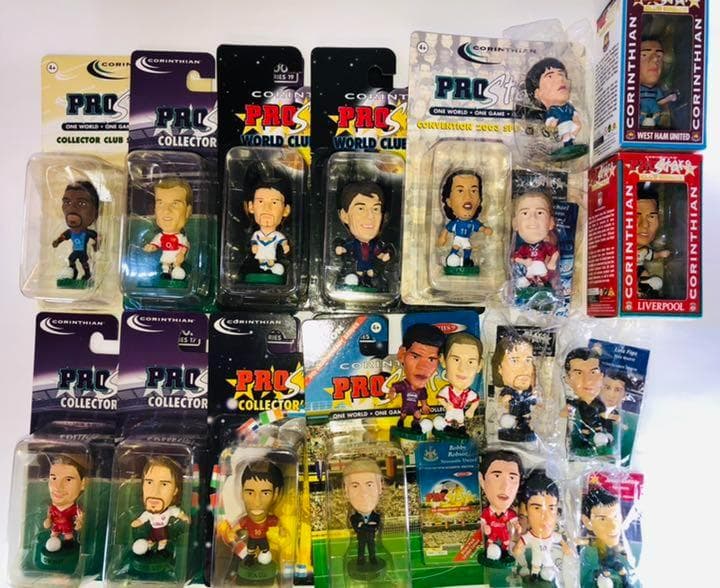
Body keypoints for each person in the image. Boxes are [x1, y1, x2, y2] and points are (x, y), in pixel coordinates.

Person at [513, 471, 572, 583]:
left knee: (547, 567)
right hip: (535, 560)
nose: (545, 517)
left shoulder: (553, 535)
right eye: (537, 508)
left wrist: (566, 547)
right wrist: (517, 548)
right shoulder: (529, 535)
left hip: (549, 561)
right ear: (525, 509)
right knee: (535, 565)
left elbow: (561, 540)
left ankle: (546, 573)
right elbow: (520, 543)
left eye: (551, 508)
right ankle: (534, 574)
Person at [389, 323, 445, 433]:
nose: (423, 367)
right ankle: (401, 423)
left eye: (431, 359)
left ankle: (415, 424)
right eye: (415, 356)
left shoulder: (422, 390)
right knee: (403, 415)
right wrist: (391, 392)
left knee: (418, 415)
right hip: (405, 407)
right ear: (402, 355)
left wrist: (424, 406)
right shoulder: (404, 385)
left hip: (414, 408)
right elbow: (394, 388)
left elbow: (423, 399)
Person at [335, 181, 391, 288]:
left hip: (370, 268)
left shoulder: (375, 245)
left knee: (371, 276)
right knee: (356, 276)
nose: (370, 216)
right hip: (355, 269)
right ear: (344, 216)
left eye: (375, 209)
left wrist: (384, 255)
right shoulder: (352, 243)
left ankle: (368, 282)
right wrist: (340, 248)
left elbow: (378, 252)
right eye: (361, 209)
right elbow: (346, 248)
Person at [131, 456, 189, 556]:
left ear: (175, 490)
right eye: (149, 482)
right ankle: (150, 550)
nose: (155, 492)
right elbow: (142, 518)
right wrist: (137, 522)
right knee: (151, 541)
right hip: (154, 531)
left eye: (164, 484)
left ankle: (161, 551)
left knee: (162, 541)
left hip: (162, 531)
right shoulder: (148, 513)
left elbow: (178, 513)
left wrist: (185, 517)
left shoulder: (170, 510)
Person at [231, 461, 284, 566]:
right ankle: (251, 558)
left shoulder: (270, 519)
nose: (257, 502)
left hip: (264, 540)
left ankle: (264, 558)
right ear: (241, 492)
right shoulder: (246, 520)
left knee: (265, 550)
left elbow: (280, 527)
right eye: (250, 493)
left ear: (275, 494)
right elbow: (233, 531)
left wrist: (282, 534)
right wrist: (231, 535)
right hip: (251, 540)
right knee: (251, 550)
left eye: (265, 493)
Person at [581, 485, 636, 588]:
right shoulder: (599, 542)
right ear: (587, 522)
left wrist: (625, 553)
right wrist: (576, 541)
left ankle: (626, 584)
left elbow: (620, 549)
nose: (613, 526)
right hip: (604, 564)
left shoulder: (617, 542)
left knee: (622, 571)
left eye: (616, 516)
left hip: (614, 562)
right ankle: (597, 574)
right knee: (605, 578)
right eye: (602, 519)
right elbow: (588, 541)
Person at [437, 170, 492, 270]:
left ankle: (466, 261)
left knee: (468, 249)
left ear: (479, 201)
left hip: (466, 239)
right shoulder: (455, 223)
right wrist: (442, 237)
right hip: (458, 239)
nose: (468, 197)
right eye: (460, 191)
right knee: (456, 248)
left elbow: (480, 228)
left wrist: (485, 229)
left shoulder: (472, 222)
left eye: (474, 191)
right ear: (449, 202)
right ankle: (452, 258)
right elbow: (446, 230)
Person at [244, 165, 292, 278]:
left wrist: (285, 246)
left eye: (274, 203)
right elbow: (253, 242)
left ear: (286, 210)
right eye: (260, 201)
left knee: (270, 261)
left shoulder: (277, 235)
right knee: (260, 261)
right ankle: (263, 268)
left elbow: (283, 241)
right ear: (251, 206)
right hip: (258, 258)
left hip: (272, 255)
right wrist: (253, 246)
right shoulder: (256, 234)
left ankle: (270, 267)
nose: (267, 208)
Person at [477, 450, 523, 562]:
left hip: (504, 534)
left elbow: (514, 522)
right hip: (492, 536)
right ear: (482, 480)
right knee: (490, 544)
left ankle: (505, 554)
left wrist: (517, 526)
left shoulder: (510, 514)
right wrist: (485, 528)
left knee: (506, 543)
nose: (505, 487)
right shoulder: (486, 513)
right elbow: (482, 523)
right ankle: (490, 556)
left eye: (512, 478)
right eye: (497, 476)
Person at [563, 347, 611, 454]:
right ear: (567, 379)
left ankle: (600, 445)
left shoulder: (599, 403)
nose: (587, 381)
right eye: (579, 373)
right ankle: (584, 445)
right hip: (583, 425)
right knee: (584, 435)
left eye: (593, 372)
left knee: (599, 436)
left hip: (596, 425)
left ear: (602, 377)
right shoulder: (573, 403)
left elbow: (605, 417)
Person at [526, 57, 582, 148]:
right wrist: (552, 127)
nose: (560, 79)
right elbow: (550, 126)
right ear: (537, 93)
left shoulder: (570, 107)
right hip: (560, 132)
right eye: (550, 76)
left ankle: (569, 144)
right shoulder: (552, 111)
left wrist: (577, 123)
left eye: (561, 74)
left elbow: (576, 118)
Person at [143, 179, 192, 280]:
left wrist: (182, 254)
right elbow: (156, 244)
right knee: (165, 266)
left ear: (188, 211)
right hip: (165, 256)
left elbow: (185, 246)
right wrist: (151, 247)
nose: (166, 211)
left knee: (176, 267)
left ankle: (177, 272)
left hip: (176, 257)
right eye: (160, 203)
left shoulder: (181, 237)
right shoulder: (160, 236)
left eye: (175, 204)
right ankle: (166, 273)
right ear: (154, 210)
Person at [492, 334, 537, 442]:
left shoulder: (529, 392)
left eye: (528, 360)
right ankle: (512, 428)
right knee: (509, 421)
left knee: (524, 421)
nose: (524, 369)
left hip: (524, 413)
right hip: (512, 413)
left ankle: (523, 428)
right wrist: (505, 401)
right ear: (499, 368)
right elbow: (503, 400)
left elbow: (533, 400)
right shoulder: (508, 391)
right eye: (515, 360)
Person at [436, 332, 483, 436]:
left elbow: (475, 401)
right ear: (443, 360)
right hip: (450, 411)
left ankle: (461, 429)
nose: (462, 369)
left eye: (470, 362)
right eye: (456, 360)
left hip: (460, 412)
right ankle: (448, 428)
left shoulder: (469, 393)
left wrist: (471, 410)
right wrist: (446, 405)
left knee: (460, 421)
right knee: (448, 420)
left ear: (479, 365)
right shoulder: (447, 391)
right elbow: (440, 398)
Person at [52, 181, 99, 282]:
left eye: (82, 203)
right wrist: (57, 242)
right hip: (76, 251)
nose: (72, 208)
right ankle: (74, 272)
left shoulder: (86, 233)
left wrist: (97, 245)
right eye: (67, 202)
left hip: (82, 252)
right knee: (71, 260)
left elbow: (95, 236)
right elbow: (63, 237)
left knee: (84, 263)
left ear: (95, 212)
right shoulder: (70, 232)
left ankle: (87, 274)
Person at [511, 191, 559, 290]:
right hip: (530, 268)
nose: (532, 218)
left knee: (542, 276)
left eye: (540, 213)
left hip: (542, 268)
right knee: (528, 278)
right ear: (515, 223)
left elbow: (555, 253)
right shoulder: (523, 248)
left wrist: (552, 262)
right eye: (525, 213)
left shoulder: (546, 246)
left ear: (551, 222)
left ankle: (542, 285)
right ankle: (530, 285)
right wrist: (524, 261)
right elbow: (516, 257)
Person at [343, 458, 383, 568]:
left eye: (369, 485)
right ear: (346, 491)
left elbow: (375, 527)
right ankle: (360, 560)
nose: (363, 493)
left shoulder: (376, 516)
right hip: (361, 538)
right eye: (355, 486)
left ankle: (372, 558)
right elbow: (357, 527)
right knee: (361, 548)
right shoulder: (353, 518)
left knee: (371, 547)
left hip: (371, 538)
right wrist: (367, 526)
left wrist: (363, 526)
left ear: (380, 487)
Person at [43, 455, 86, 552]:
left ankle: (68, 545)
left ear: (83, 483)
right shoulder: (52, 508)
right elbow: (49, 517)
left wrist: (79, 522)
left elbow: (79, 518)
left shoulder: (74, 509)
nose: (58, 487)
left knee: (68, 538)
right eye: (54, 478)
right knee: (53, 536)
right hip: (55, 527)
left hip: (67, 528)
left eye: (68, 479)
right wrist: (48, 520)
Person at [636, 183, 670, 298]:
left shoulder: (644, 251)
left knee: (653, 280)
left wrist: (660, 254)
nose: (645, 225)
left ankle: (643, 288)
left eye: (651, 217)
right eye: (636, 216)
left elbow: (652, 255)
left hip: (639, 271)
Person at [639, 36, 677, 128]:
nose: (655, 59)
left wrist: (669, 98)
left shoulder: (658, 90)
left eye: (659, 56)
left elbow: (660, 102)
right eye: (644, 55)